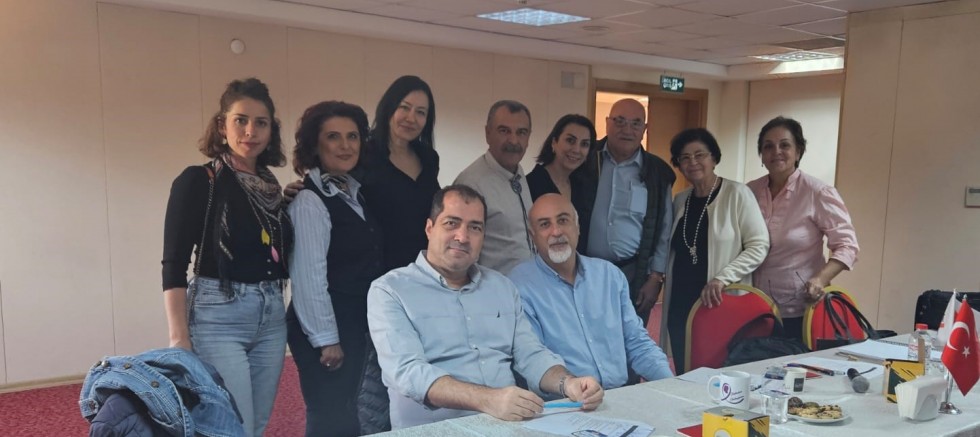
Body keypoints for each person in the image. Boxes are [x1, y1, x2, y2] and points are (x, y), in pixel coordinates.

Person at [367, 185, 604, 429]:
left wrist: (568, 383)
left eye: (475, 227)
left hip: (506, 426)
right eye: (451, 223)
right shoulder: (390, 290)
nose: (462, 237)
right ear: (429, 228)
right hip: (433, 429)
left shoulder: (502, 287)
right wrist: (489, 399)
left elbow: (531, 355)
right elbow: (408, 372)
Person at [161, 77, 292, 437]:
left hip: (271, 314)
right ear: (222, 125)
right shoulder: (198, 180)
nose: (251, 131)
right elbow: (173, 264)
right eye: (241, 120)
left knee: (256, 425)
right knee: (233, 426)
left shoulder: (272, 189)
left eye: (261, 123)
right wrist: (179, 338)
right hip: (218, 316)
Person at [286, 101, 385, 437]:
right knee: (330, 415)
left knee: (347, 410)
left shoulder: (351, 193)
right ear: (315, 145)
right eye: (333, 137)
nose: (345, 145)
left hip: (351, 321)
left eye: (352, 136)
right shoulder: (309, 201)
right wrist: (326, 340)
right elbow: (308, 277)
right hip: (326, 327)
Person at [509, 194, 674, 390]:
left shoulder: (610, 275)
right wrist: (570, 386)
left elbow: (637, 342)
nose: (556, 231)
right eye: (545, 225)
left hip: (620, 394)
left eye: (563, 220)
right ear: (532, 235)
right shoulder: (519, 286)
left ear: (577, 227)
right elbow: (532, 356)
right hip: (564, 401)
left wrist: (672, 385)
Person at [660, 128, 769, 373]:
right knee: (685, 369)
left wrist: (722, 278)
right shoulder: (680, 200)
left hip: (719, 301)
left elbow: (759, 245)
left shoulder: (737, 194)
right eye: (685, 157)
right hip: (681, 302)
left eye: (700, 155)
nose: (693, 162)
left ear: (714, 158)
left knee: (719, 372)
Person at [747, 116, 859, 338]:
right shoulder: (749, 191)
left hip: (801, 309)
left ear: (798, 152)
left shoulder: (817, 192)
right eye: (768, 146)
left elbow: (848, 246)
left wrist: (820, 279)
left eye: (785, 145)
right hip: (755, 306)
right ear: (761, 155)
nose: (776, 152)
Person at [586, 98, 676, 327]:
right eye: (619, 121)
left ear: (645, 129)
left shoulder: (657, 172)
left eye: (636, 123)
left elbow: (664, 231)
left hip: (633, 274)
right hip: (585, 271)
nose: (627, 130)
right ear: (607, 123)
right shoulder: (586, 159)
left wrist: (656, 277)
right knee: (583, 337)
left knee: (629, 338)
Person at [359, 75, 441, 272]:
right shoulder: (364, 153)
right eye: (404, 107)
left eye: (420, 112)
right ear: (389, 108)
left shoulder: (428, 158)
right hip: (376, 268)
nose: (411, 118)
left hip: (422, 268)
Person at [454, 100, 535, 274]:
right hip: (494, 287)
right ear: (488, 133)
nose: (514, 140)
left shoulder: (518, 172)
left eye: (521, 132)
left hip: (527, 284)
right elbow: (461, 252)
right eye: (504, 131)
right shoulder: (471, 184)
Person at [525, 114, 597, 253]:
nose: (576, 150)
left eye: (584, 144)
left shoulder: (583, 187)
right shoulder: (530, 185)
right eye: (570, 140)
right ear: (554, 142)